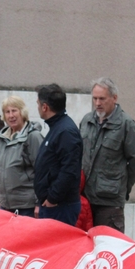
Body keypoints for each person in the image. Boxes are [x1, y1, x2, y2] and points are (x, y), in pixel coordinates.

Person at [79, 77, 135, 233]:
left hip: (109, 202)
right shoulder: (87, 120)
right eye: (95, 98)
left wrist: (121, 187)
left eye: (102, 98)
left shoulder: (126, 124)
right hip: (85, 199)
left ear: (114, 98)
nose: (97, 103)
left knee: (108, 248)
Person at [33, 84, 82, 225]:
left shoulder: (65, 132)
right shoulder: (57, 128)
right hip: (54, 206)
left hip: (60, 207)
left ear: (45, 107)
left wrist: (52, 198)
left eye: (38, 104)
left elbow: (69, 170)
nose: (37, 107)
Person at [0, 96, 43, 217]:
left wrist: (39, 202)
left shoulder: (33, 137)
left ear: (22, 112)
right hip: (5, 206)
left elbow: (42, 171)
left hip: (27, 206)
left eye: (14, 110)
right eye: (7, 112)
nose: (11, 115)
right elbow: (0, 173)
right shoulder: (0, 141)